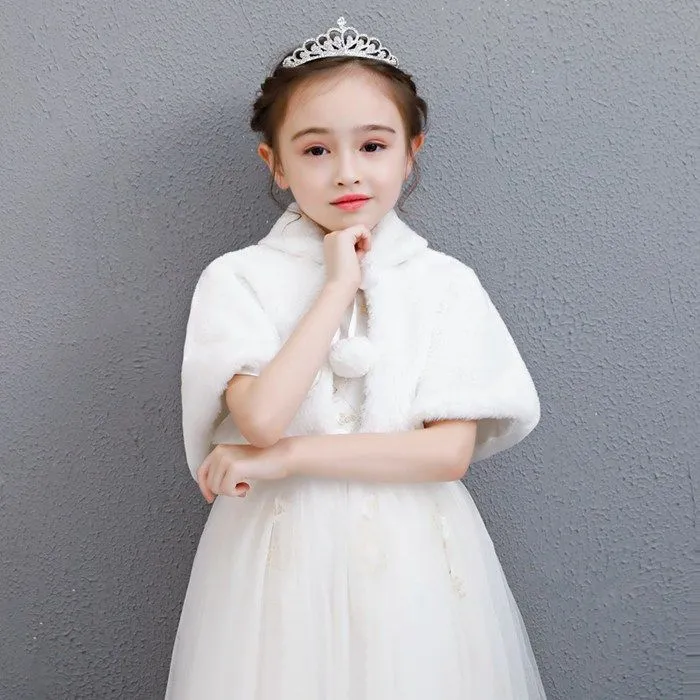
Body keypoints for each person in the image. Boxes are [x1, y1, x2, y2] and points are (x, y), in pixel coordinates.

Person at [165, 17, 547, 700]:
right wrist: (338, 285)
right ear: (275, 163)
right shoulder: (238, 279)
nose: (347, 172)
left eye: (373, 145)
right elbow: (262, 420)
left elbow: (447, 453)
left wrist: (290, 458)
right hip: (278, 554)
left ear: (411, 152)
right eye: (315, 150)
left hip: (415, 555)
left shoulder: (443, 283)